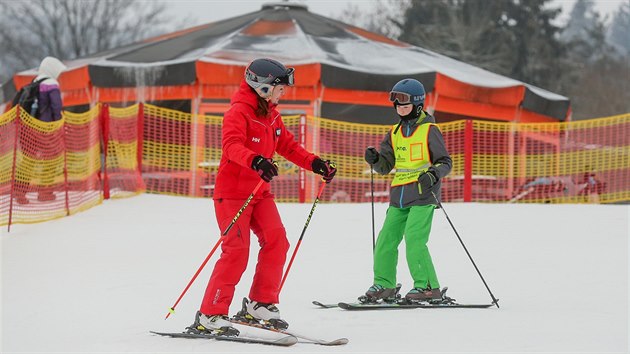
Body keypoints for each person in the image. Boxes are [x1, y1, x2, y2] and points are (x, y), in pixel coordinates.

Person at [191, 58, 337, 336]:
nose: (283, 94)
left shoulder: (271, 115)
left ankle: (260, 304)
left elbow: (289, 147)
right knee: (236, 252)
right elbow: (232, 146)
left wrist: (316, 163)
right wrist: (255, 160)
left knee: (277, 241)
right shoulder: (238, 113)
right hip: (233, 194)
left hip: (260, 193)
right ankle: (210, 314)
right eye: (279, 88)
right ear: (262, 87)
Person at [362, 78, 452, 303]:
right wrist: (375, 160)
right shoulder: (393, 133)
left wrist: (433, 174)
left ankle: (428, 287)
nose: (400, 109)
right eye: (398, 105)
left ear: (418, 105)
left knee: (414, 239)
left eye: (405, 105)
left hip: (423, 194)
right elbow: (385, 167)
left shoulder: (429, 130)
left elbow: (445, 162)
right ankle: (385, 284)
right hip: (399, 196)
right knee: (386, 239)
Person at [14, 56, 66, 204]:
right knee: (50, 159)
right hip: (45, 129)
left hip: (29, 128)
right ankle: (45, 192)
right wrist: (57, 126)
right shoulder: (51, 84)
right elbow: (56, 107)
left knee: (28, 161)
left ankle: (20, 193)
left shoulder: (34, 82)